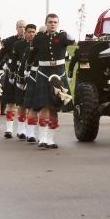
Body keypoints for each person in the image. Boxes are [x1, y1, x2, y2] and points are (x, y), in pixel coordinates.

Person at [25, 14, 73, 148]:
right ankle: (42, 138)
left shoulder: (62, 37)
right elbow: (32, 55)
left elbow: (73, 41)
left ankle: (51, 139)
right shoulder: (39, 38)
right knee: (44, 106)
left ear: (58, 24)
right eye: (50, 22)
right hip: (43, 73)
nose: (53, 24)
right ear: (46, 23)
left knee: (54, 107)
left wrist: (67, 34)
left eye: (55, 22)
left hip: (59, 73)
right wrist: (28, 68)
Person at [0, 20, 26, 138]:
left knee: (23, 104)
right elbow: (1, 55)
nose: (22, 29)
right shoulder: (9, 41)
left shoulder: (31, 42)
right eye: (20, 27)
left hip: (24, 75)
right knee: (10, 102)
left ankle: (21, 130)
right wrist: (0, 65)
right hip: (11, 75)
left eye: (24, 27)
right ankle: (9, 129)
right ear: (16, 28)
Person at [13, 24, 37, 141]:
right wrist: (17, 78)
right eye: (29, 32)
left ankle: (30, 132)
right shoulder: (19, 44)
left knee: (32, 104)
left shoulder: (38, 44)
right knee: (22, 104)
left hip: (34, 77)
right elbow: (19, 63)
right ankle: (21, 129)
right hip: (21, 76)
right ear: (25, 33)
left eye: (33, 32)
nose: (31, 34)